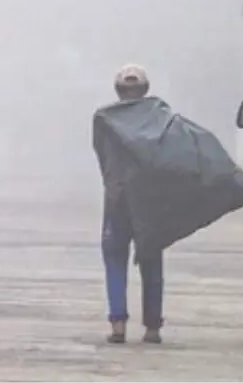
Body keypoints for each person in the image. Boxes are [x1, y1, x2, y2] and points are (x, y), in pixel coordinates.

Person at [92, 64, 164, 345]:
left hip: (117, 200)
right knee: (152, 263)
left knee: (114, 259)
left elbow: (102, 158)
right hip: (150, 200)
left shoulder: (103, 120)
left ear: (117, 90)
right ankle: (153, 328)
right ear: (145, 90)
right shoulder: (160, 117)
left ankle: (118, 324)